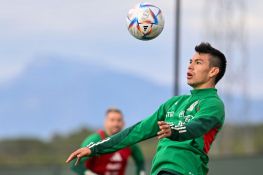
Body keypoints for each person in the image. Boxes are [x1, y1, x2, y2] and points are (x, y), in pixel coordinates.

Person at [66, 42, 227, 175]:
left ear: (213, 71)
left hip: (185, 170)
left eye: (198, 63)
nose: (190, 66)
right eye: (190, 62)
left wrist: (175, 130)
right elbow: (138, 130)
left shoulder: (213, 104)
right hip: (160, 171)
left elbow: (198, 126)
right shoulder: (174, 103)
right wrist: (94, 148)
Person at [70, 108, 146, 175]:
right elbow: (74, 164)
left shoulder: (129, 141)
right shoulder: (95, 139)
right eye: (112, 120)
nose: (116, 124)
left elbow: (140, 161)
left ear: (123, 123)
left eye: (119, 120)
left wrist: (141, 172)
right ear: (105, 122)